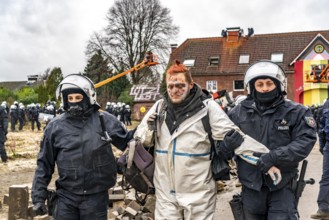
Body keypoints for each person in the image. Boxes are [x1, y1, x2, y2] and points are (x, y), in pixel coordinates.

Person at [134, 60, 266, 219]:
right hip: (165, 193)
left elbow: (236, 138)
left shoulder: (207, 108)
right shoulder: (159, 108)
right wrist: (149, 129)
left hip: (198, 193)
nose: (175, 90)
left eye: (180, 85)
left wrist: (268, 159)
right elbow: (139, 140)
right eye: (171, 86)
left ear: (190, 85)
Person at [31, 74, 135, 219]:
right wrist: (38, 196)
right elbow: (44, 163)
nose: (74, 102)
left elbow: (130, 142)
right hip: (66, 197)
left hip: (96, 198)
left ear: (88, 97)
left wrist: (147, 126)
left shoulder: (104, 120)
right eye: (70, 98)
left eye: (78, 98)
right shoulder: (55, 127)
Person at [228, 60, 317, 219]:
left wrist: (275, 157)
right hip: (250, 188)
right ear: (252, 86)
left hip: (282, 186)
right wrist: (226, 146)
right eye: (260, 84)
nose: (264, 88)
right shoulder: (237, 113)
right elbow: (221, 145)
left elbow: (305, 141)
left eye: (269, 83)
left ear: (279, 85)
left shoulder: (296, 111)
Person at [311, 98, 329, 219]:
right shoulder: (327, 103)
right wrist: (323, 147)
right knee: (326, 177)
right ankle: (324, 209)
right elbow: (321, 126)